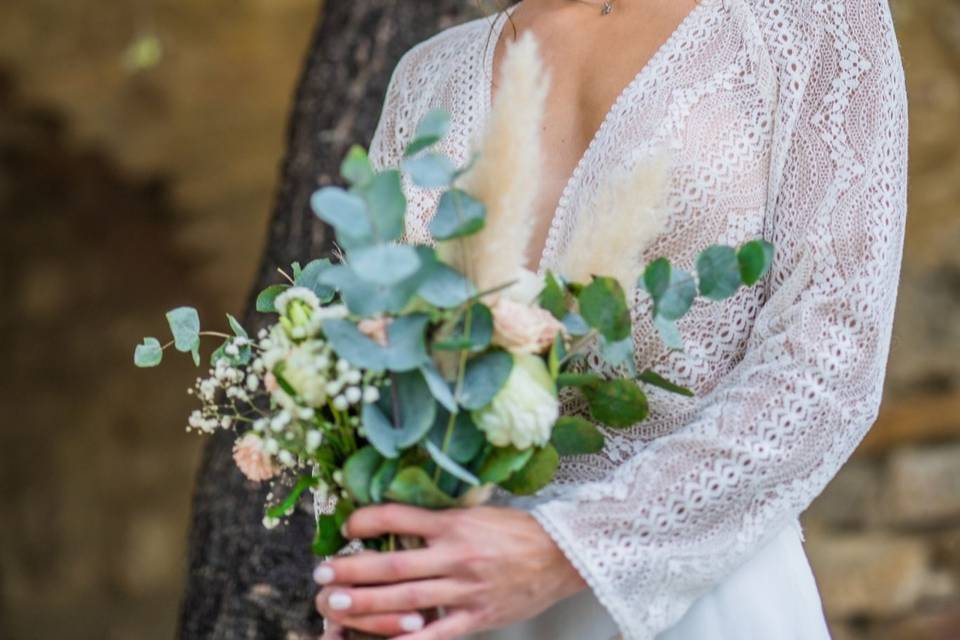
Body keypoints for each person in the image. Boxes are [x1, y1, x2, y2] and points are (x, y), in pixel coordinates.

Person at [313, 0, 909, 638]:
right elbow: (366, 366)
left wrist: (567, 549)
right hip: (452, 601)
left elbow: (832, 352)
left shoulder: (811, 20)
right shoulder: (427, 76)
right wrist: (368, 573)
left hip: (695, 603)